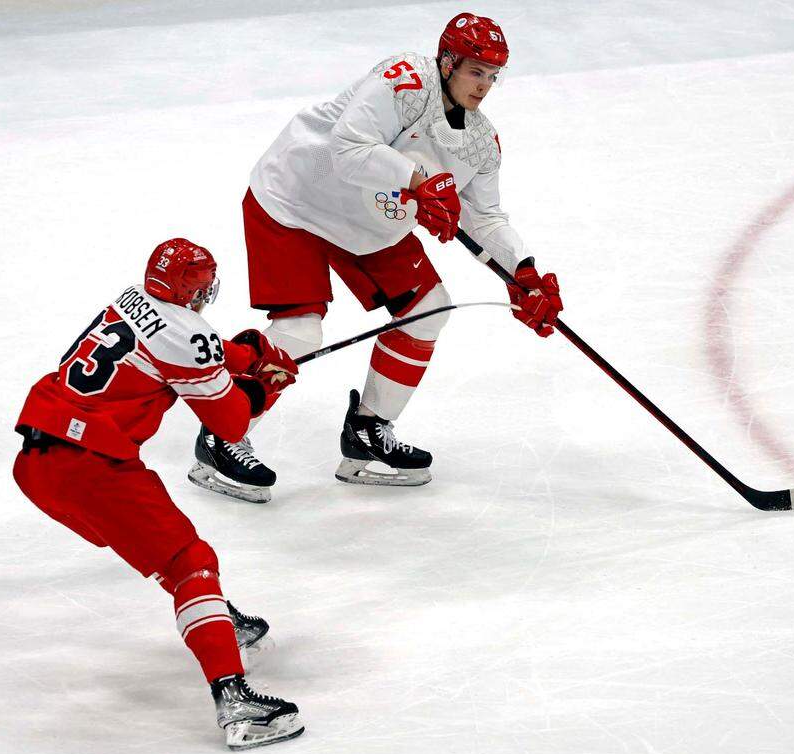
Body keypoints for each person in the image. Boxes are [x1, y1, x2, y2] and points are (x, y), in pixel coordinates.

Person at [189, 12, 564, 500]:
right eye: (476, 71)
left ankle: (367, 431)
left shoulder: (480, 142)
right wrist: (418, 181)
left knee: (428, 311)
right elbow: (348, 148)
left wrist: (524, 272)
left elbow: (485, 218)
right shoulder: (404, 79)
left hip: (368, 223)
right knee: (298, 333)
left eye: (494, 76)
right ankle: (222, 434)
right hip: (296, 200)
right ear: (447, 61)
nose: (485, 86)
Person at [12, 238, 304, 750]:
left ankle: (217, 621)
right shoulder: (188, 336)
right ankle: (235, 702)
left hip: (38, 458)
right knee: (192, 562)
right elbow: (230, 423)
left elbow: (190, 348)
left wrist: (248, 354)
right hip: (90, 468)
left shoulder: (132, 299)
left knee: (164, 552)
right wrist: (267, 386)